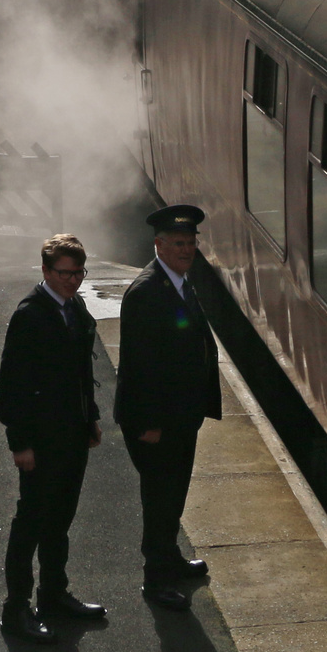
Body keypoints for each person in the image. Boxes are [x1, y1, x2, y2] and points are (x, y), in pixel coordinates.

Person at [0, 234, 106, 643]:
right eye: (64, 273)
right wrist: (20, 443)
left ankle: (54, 594)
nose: (73, 281)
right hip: (41, 441)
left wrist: (90, 418)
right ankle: (16, 609)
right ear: (45, 271)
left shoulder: (74, 308)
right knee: (31, 523)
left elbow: (81, 373)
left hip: (71, 436)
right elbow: (12, 385)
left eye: (78, 273)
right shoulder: (30, 315)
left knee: (60, 520)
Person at [114, 204, 222, 611]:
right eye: (178, 243)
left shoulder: (177, 281)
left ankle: (170, 559)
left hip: (181, 416)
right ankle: (156, 580)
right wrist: (149, 423)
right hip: (156, 422)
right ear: (159, 244)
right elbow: (140, 365)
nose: (186, 249)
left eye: (191, 243)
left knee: (173, 493)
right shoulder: (147, 292)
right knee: (159, 498)